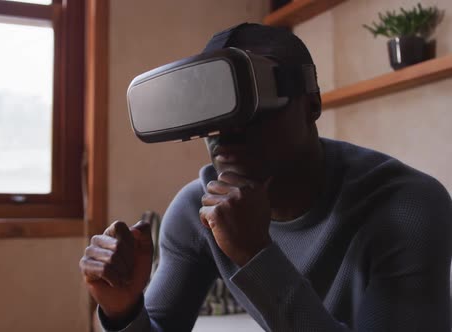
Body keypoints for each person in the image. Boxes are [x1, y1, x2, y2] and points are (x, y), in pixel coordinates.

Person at [79, 23, 452, 331]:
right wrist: (124, 310)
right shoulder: (196, 209)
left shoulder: (409, 206)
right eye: (214, 113)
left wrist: (256, 256)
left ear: (311, 106)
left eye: (251, 109)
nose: (227, 134)